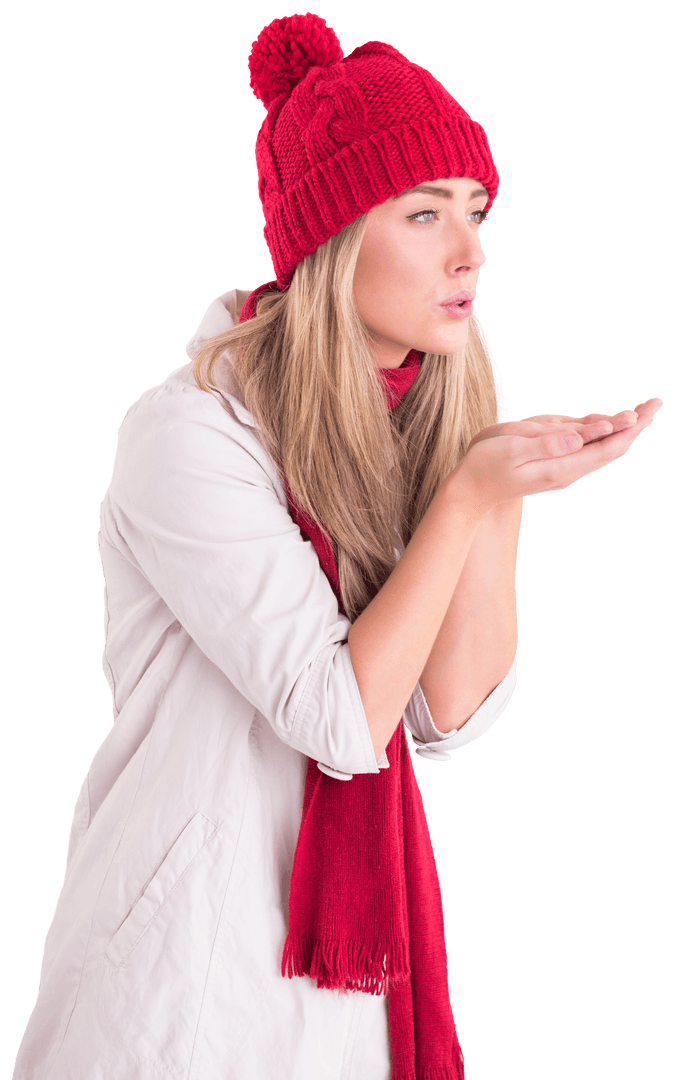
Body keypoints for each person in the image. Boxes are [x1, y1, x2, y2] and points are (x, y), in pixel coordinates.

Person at [11, 12, 663, 1080]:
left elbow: (447, 716)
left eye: (478, 211)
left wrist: (501, 491)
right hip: (181, 995)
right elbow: (342, 721)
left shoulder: (421, 425)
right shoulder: (189, 435)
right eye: (424, 213)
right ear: (332, 237)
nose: (473, 250)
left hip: (343, 1012)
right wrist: (466, 497)